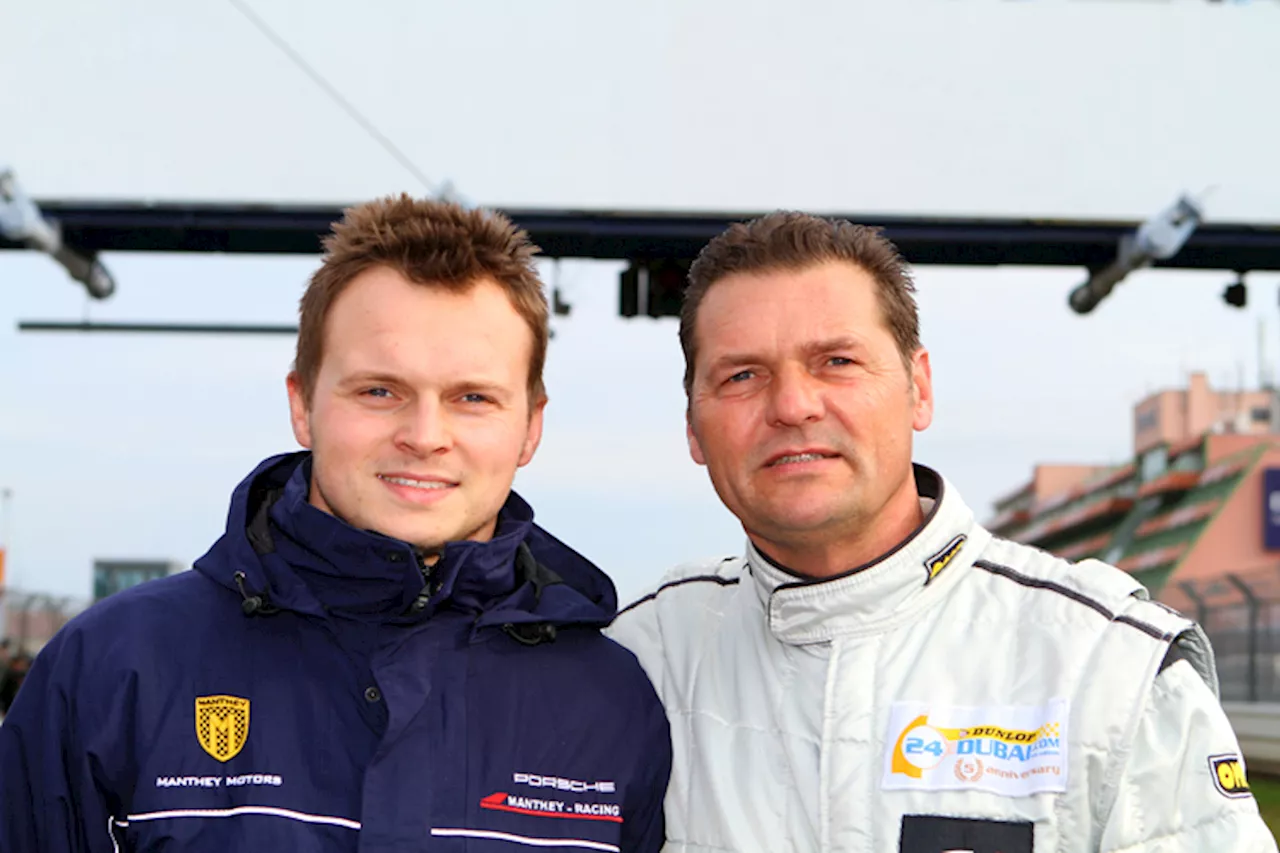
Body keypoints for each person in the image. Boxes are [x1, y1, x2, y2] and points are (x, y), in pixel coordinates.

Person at [0, 196, 671, 851]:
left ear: (530, 427)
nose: (425, 435)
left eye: (472, 398)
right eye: (380, 390)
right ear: (303, 403)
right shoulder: (115, 669)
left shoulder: (610, 706)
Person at [608, 211, 1275, 852]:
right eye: (743, 375)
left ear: (918, 389)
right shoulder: (637, 661)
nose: (792, 405)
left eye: (837, 361)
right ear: (694, 427)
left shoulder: (1107, 669)